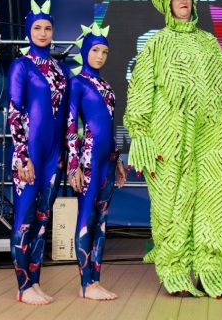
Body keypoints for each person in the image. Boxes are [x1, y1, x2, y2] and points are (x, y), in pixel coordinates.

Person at [125, 0, 222, 298]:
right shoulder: (156, 44)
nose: (184, 2)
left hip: (210, 137)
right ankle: (174, 269)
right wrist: (142, 134)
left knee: (215, 199)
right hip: (170, 137)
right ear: (167, 1)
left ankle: (211, 270)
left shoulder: (209, 43)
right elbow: (141, 90)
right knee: (171, 204)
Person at [8, 0, 69, 305]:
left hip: (53, 157)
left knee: (43, 221)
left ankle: (34, 282)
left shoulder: (61, 69)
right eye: (37, 28)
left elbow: (67, 118)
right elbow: (14, 112)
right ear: (28, 31)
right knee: (24, 218)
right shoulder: (21, 66)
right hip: (29, 155)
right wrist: (22, 155)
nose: (43, 33)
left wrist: (66, 157)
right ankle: (22, 286)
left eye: (47, 28)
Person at [66, 22, 127, 300]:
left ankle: (95, 280)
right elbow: (70, 126)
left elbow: (110, 126)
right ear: (85, 51)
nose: (100, 56)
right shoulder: (77, 83)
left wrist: (117, 160)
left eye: (104, 51)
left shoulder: (106, 86)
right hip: (88, 157)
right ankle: (85, 283)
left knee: (102, 220)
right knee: (86, 218)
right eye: (95, 50)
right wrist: (73, 165)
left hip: (107, 160)